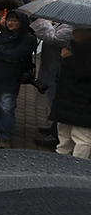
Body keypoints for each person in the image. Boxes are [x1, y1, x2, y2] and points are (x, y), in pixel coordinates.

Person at [0, 10, 37, 145]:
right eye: (9, 19)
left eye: (14, 20)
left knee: (7, 108)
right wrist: (3, 55)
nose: (10, 23)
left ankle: (6, 136)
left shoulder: (29, 38)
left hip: (10, 77)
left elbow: (16, 55)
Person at [30, 18, 72, 146]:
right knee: (55, 99)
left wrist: (44, 24)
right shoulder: (68, 23)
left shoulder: (73, 27)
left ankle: (56, 135)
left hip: (62, 69)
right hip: (54, 66)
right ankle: (54, 128)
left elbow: (54, 38)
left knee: (59, 100)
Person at [51, 28, 91, 158]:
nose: (74, 32)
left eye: (79, 30)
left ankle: (77, 168)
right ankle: (59, 161)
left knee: (82, 138)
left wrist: (70, 58)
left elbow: (85, 74)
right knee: (63, 135)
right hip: (67, 97)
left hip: (84, 101)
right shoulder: (72, 45)